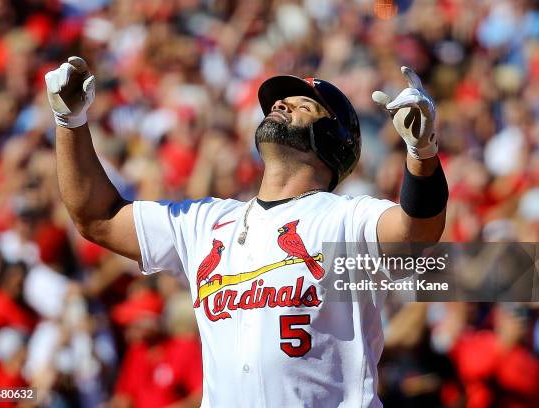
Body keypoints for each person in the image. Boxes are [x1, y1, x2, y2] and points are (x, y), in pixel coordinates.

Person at [45, 56, 448, 407]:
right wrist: (70, 121)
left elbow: (417, 232)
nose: (280, 104)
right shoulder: (206, 222)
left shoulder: (346, 218)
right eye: (279, 101)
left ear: (331, 138)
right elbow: (97, 217)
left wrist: (422, 154)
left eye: (302, 104)